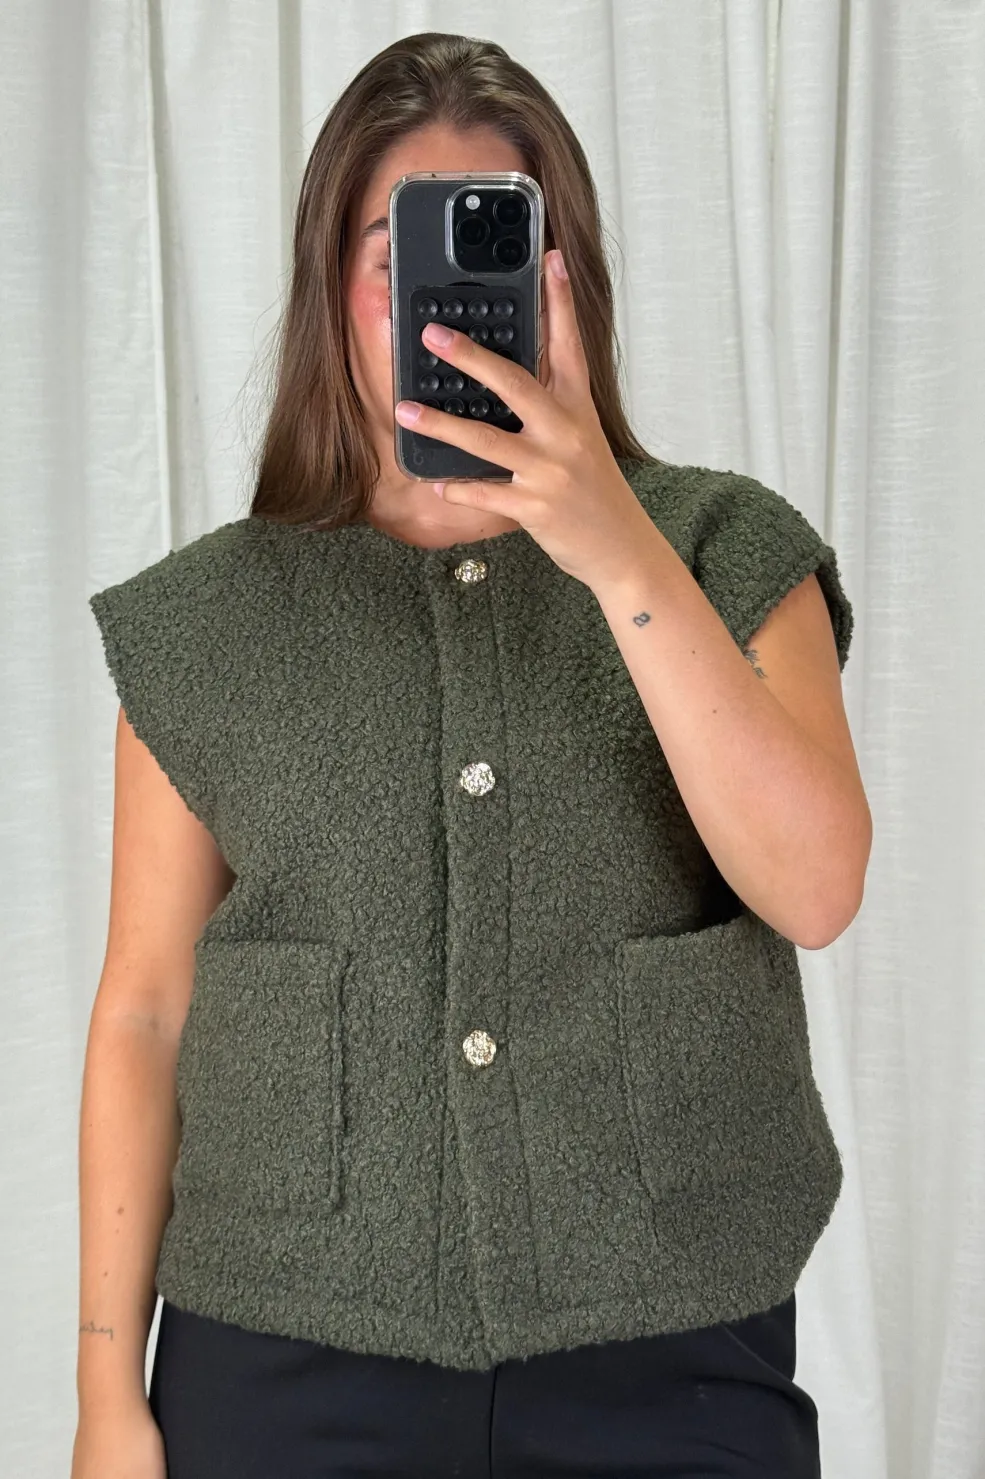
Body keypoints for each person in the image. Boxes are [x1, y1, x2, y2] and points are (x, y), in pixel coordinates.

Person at [73, 30, 871, 1479]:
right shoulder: (206, 623)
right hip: (283, 1358)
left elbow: (817, 886)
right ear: (334, 287)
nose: (444, 302)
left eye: (496, 246)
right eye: (399, 255)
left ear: (564, 282)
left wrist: (610, 540)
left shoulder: (723, 550)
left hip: (673, 1351)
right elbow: (143, 1010)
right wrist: (103, 1395)